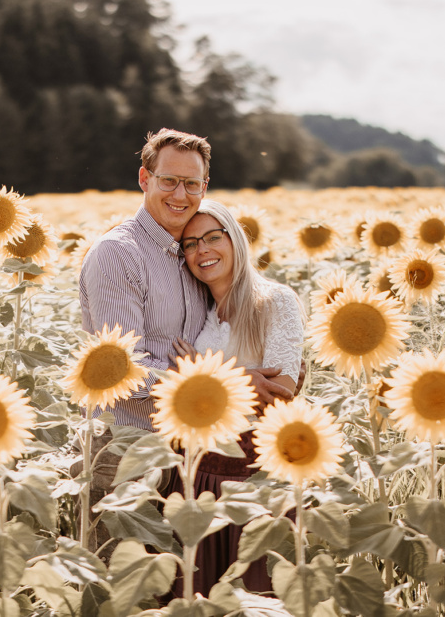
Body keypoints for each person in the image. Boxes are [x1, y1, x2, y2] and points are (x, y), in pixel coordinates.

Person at [77, 129, 294, 553]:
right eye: (169, 181)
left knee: (171, 583)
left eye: (192, 184)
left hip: (185, 455)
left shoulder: (190, 256)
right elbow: (121, 373)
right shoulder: (118, 255)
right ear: (144, 179)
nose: (181, 193)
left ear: (204, 187)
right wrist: (224, 384)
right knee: (120, 583)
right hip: (127, 448)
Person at [172, 200, 306, 596]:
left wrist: (207, 372)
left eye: (214, 237)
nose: (202, 251)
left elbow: (279, 393)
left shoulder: (273, 301)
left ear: (236, 239)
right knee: (202, 592)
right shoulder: (202, 312)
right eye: (191, 243)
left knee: (255, 594)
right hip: (202, 472)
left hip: (256, 471)